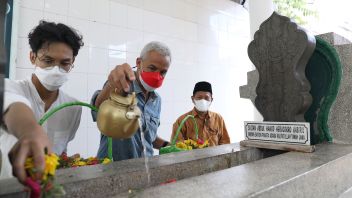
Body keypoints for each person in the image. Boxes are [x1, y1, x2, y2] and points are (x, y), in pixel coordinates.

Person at [0, 20, 84, 180]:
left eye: (64, 63)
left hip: (48, 190)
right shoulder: (9, 88)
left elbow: (60, 150)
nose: (56, 70)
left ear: (72, 63)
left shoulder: (73, 108)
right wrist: (31, 131)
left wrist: (65, 162)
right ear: (33, 57)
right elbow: (14, 106)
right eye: (48, 61)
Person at [91, 41, 171, 161]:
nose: (157, 76)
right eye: (152, 68)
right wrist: (111, 85)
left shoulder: (156, 100)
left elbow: (149, 137)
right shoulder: (121, 85)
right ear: (139, 63)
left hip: (145, 168)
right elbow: (98, 108)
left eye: (163, 72)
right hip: (113, 169)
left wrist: (167, 146)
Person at [170, 81, 230, 146]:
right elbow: (177, 147)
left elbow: (225, 144)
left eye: (206, 98)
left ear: (211, 100)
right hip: (191, 156)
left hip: (216, 156)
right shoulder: (182, 121)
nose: (203, 101)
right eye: (199, 97)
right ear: (193, 99)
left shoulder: (218, 118)